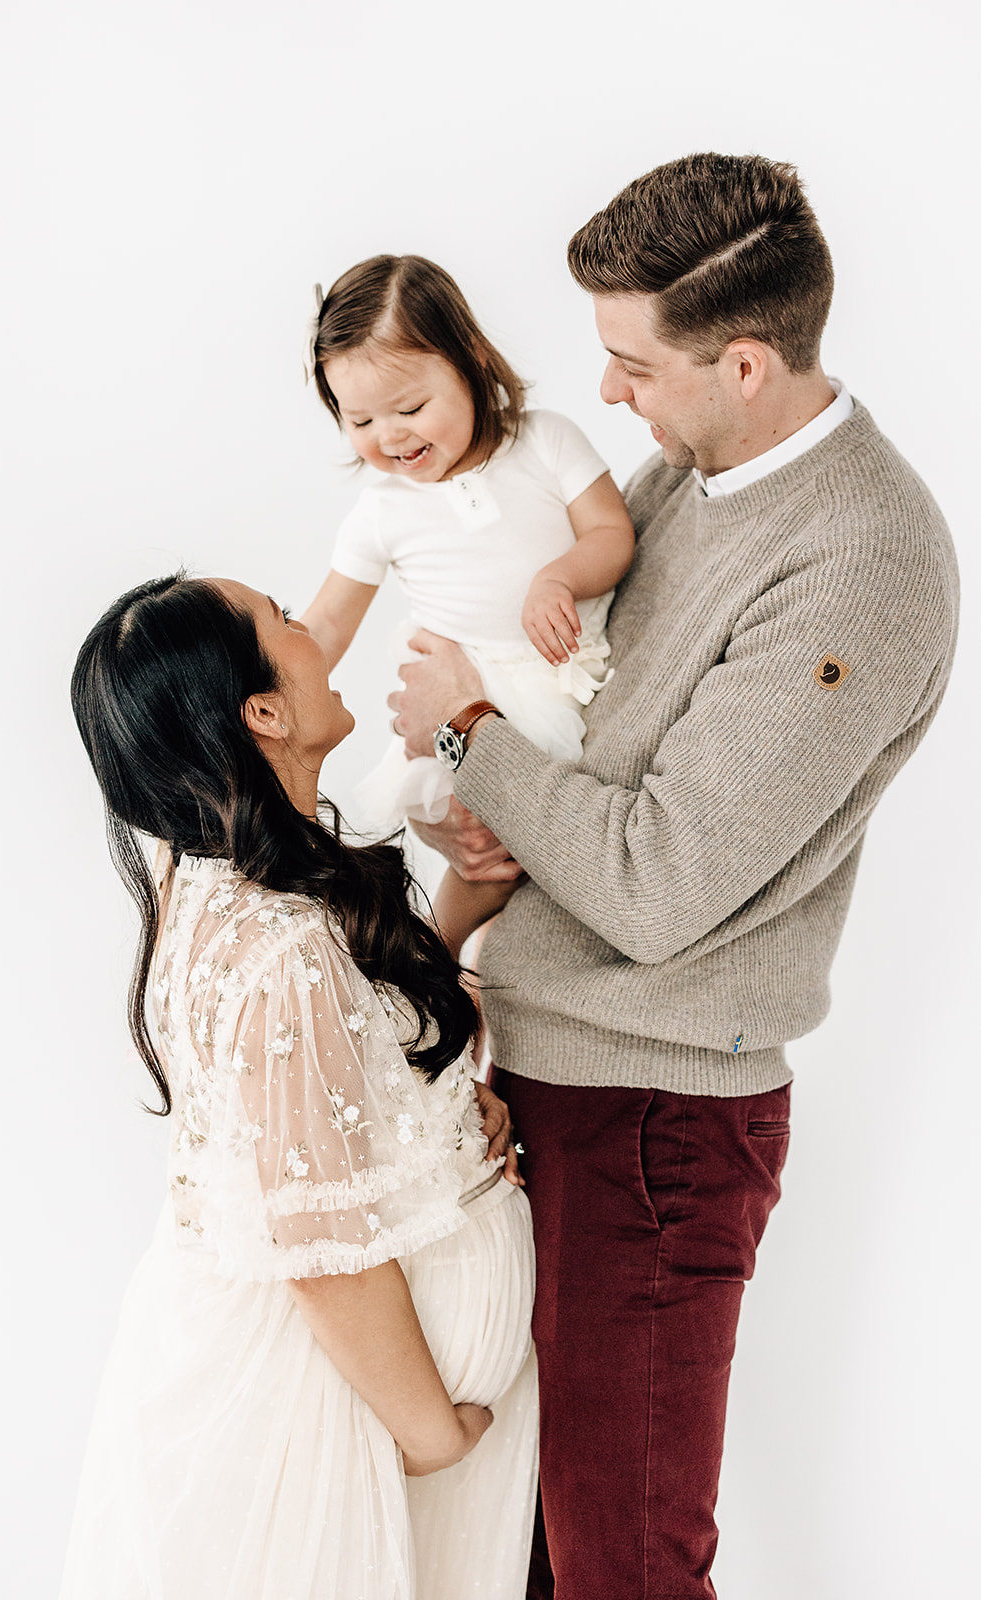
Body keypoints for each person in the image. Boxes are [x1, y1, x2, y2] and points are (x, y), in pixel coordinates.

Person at [387, 153, 959, 1599]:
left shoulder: (857, 561)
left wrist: (468, 734)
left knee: (621, 1567)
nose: (609, 396)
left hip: (649, 1127)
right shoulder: (686, 472)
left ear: (746, 363)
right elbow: (589, 722)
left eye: (629, 363)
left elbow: (653, 882)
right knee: (518, 1551)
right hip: (550, 1077)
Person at [61, 575, 539, 1600]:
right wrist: (430, 1433)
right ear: (263, 712)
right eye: (283, 616)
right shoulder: (275, 946)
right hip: (339, 1423)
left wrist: (449, 1099)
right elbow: (315, 1242)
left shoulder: (215, 879)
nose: (312, 628)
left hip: (344, 1404)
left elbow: (337, 1075)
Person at [300, 254, 635, 957]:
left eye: (410, 408)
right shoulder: (380, 512)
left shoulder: (544, 441)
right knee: (485, 851)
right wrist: (254, 684)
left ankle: (479, 973)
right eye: (358, 419)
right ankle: (432, 954)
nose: (388, 436)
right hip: (466, 689)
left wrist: (558, 578)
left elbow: (611, 534)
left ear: (472, 361)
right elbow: (328, 621)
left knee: (561, 851)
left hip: (565, 673)